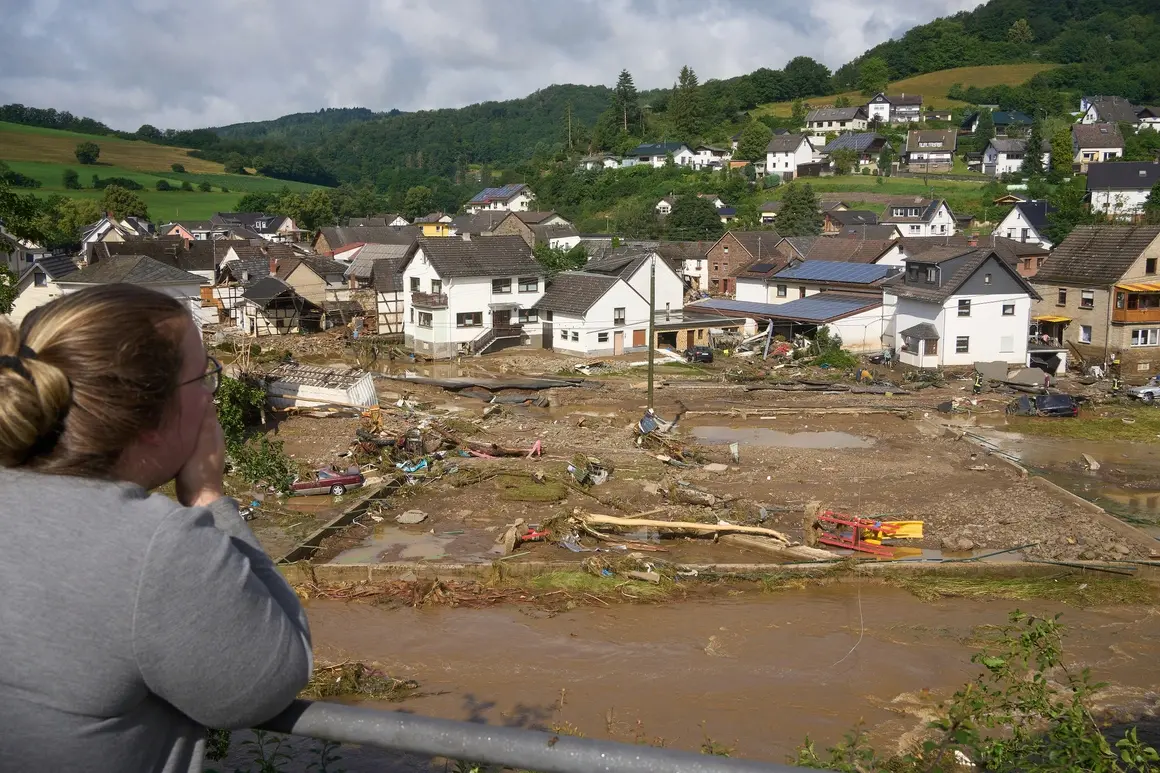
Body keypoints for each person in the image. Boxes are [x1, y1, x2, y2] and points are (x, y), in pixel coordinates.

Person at [0, 284, 312, 772]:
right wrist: (207, 496)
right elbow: (270, 679)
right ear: (150, 416)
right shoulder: (153, 544)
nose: (210, 396)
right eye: (203, 377)